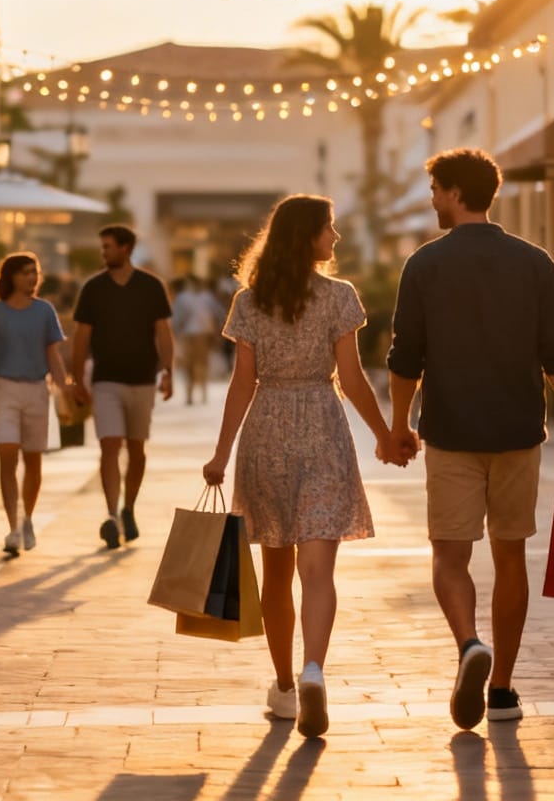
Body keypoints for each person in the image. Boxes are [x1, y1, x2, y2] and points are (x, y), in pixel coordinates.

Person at [385, 148, 554, 730]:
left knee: (450, 555)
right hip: (517, 433)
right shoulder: (534, 262)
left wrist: (398, 424)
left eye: (435, 190)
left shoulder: (425, 266)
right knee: (511, 556)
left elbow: (406, 357)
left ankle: (467, 646)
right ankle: (503, 690)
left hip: (452, 433)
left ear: (455, 192)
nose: (432, 200)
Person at [202, 196, 386, 739]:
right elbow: (351, 380)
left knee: (277, 574)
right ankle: (313, 671)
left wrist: (220, 453)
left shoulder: (250, 302)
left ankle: (284, 686)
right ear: (308, 236)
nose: (336, 238)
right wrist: (386, 435)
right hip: (323, 431)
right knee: (319, 572)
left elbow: (242, 383)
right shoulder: (339, 298)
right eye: (329, 228)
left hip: (267, 433)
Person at [67, 225, 173, 550]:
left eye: (108, 247)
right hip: (106, 380)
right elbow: (81, 336)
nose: (104, 253)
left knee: (137, 450)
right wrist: (75, 378)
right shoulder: (93, 288)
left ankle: (129, 508)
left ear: (126, 248)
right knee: (109, 446)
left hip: (142, 379)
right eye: (102, 247)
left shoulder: (151, 286)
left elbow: (163, 332)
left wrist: (167, 371)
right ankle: (112, 514)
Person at [0, 253, 70, 558]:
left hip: (37, 390)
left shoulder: (44, 311)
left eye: (36, 272)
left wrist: (65, 388)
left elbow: (53, 354)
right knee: (7, 455)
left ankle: (27, 517)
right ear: (11, 276)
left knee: (33, 460)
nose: (33, 277)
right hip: (2, 389)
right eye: (27, 272)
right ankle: (13, 527)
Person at [172, 276, 226, 405]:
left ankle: (200, 393)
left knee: (198, 365)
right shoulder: (194, 298)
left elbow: (217, 314)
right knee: (193, 365)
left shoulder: (201, 298)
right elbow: (218, 314)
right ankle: (193, 394)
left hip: (198, 335)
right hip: (192, 335)